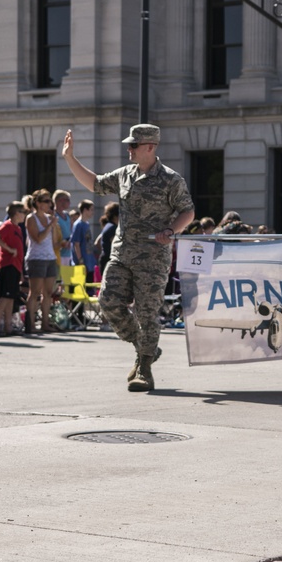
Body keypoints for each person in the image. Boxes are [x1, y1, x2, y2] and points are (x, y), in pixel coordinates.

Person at [63, 124, 195, 391]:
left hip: (153, 258)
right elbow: (95, 183)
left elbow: (187, 212)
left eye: (134, 145)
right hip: (122, 254)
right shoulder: (125, 175)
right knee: (108, 302)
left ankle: (144, 368)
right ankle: (143, 345)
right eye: (129, 144)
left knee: (147, 312)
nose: (129, 149)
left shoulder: (171, 179)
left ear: (150, 147)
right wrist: (69, 158)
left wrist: (170, 230)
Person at [0, 202, 27, 337]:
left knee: (11, 297)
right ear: (17, 213)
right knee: (4, 297)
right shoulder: (8, 225)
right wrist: (9, 249)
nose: (25, 215)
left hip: (15, 266)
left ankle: (8, 327)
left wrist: (21, 271)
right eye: (23, 212)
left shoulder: (18, 228)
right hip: (7, 265)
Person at [25, 189, 60, 334]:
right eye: (46, 201)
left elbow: (53, 241)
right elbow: (37, 238)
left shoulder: (49, 218)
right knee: (35, 292)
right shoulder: (31, 218)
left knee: (48, 292)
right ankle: (30, 324)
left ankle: (45, 323)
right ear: (38, 204)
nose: (49, 204)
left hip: (50, 257)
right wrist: (50, 226)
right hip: (36, 258)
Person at [70, 200, 96, 276]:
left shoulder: (87, 224)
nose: (93, 212)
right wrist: (80, 260)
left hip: (89, 262)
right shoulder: (78, 224)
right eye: (91, 210)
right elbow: (76, 244)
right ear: (85, 210)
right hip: (82, 263)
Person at [53, 190, 74, 266]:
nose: (69, 203)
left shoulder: (67, 215)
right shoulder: (53, 216)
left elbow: (72, 231)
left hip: (68, 254)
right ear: (60, 201)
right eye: (67, 200)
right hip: (58, 254)